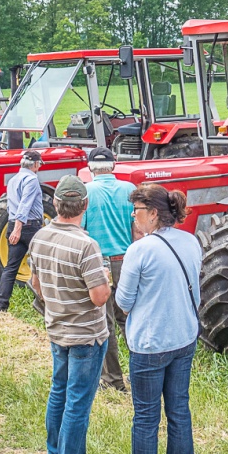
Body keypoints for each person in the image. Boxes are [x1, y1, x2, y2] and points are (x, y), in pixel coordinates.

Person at [28, 175, 110, 454]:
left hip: (57, 330)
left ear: (55, 202)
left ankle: (54, 449)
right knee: (77, 403)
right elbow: (99, 298)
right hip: (87, 336)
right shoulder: (87, 246)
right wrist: (107, 278)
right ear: (85, 205)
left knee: (58, 393)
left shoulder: (39, 237)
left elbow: (36, 284)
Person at [116, 184, 201, 454]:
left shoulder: (139, 250)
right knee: (179, 411)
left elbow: (123, 302)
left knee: (145, 418)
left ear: (153, 213)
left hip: (149, 343)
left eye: (136, 210)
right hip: (184, 336)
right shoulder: (190, 241)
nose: (133, 216)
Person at [81, 147, 138, 392]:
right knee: (131, 319)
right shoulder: (129, 190)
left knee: (105, 325)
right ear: (113, 166)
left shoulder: (87, 192)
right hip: (126, 260)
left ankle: (113, 379)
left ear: (90, 167)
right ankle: (139, 375)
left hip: (99, 263)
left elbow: (81, 233)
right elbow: (136, 230)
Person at [0, 150, 44, 312]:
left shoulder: (13, 180)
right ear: (35, 165)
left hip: (12, 223)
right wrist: (18, 228)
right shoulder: (32, 179)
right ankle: (44, 302)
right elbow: (25, 205)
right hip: (29, 227)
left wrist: (13, 227)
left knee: (10, 267)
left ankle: (1, 305)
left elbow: (11, 206)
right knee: (42, 265)